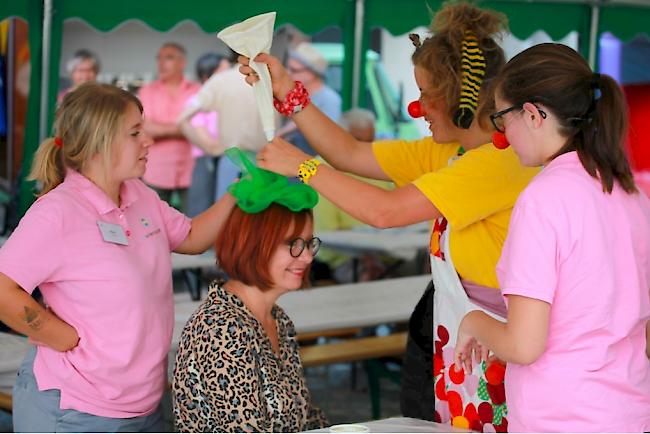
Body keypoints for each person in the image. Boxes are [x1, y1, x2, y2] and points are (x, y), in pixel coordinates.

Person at [239, 2, 539, 428]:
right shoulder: (452, 150)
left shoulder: (497, 160)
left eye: (425, 94)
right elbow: (349, 153)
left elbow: (384, 211)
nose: (417, 108)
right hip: (464, 332)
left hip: (498, 343)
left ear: (459, 98)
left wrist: (303, 167)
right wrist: (287, 89)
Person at [0, 82, 235, 432]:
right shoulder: (58, 212)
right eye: (135, 132)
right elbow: (4, 290)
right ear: (99, 141)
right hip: (75, 408)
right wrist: (60, 336)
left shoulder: (138, 193)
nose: (148, 141)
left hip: (143, 401)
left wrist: (238, 194)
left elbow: (192, 236)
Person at [454, 43, 650, 432]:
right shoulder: (630, 192)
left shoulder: (544, 198)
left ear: (531, 114)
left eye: (501, 118)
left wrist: (474, 320)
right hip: (631, 410)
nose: (502, 136)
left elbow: (524, 345)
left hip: (562, 416)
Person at [173, 149, 328, 432]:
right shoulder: (221, 328)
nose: (306, 257)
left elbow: (304, 415)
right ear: (254, 245)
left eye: (308, 243)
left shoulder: (276, 318)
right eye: (293, 244)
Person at [177, 51, 267, 202]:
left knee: (227, 213)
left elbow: (182, 120)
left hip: (233, 159)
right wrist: (213, 148)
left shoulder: (223, 84)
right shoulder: (266, 79)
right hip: (252, 159)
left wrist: (216, 148)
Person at [139, 42, 200, 209]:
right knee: (154, 226)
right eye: (159, 58)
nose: (161, 63)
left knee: (193, 224)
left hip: (191, 171)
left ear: (182, 63)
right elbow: (145, 128)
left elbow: (203, 128)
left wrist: (162, 129)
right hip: (156, 171)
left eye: (169, 58)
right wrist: (184, 129)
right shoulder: (147, 91)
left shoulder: (197, 90)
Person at [182, 52, 232, 217]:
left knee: (227, 211)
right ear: (206, 76)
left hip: (229, 159)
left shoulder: (228, 99)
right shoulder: (196, 101)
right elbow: (206, 142)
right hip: (206, 161)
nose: (228, 77)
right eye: (222, 72)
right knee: (201, 211)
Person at [277, 42, 341, 156]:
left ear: (311, 73)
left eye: (294, 70)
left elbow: (328, 141)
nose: (288, 73)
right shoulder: (298, 96)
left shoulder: (329, 100)